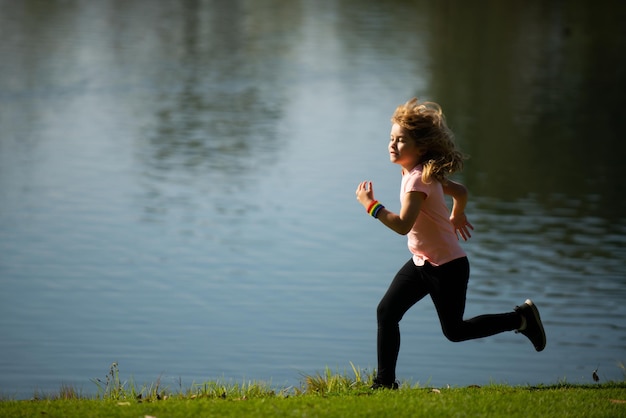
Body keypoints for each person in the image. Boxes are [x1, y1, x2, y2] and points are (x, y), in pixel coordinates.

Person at [355, 98, 546, 390]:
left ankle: (521, 318)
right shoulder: (418, 171)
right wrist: (457, 213)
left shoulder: (418, 180)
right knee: (387, 312)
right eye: (391, 139)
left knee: (455, 331)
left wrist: (372, 206)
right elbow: (460, 190)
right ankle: (384, 384)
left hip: (447, 268)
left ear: (420, 148)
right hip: (422, 261)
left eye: (401, 140)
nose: (392, 145)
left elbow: (403, 225)